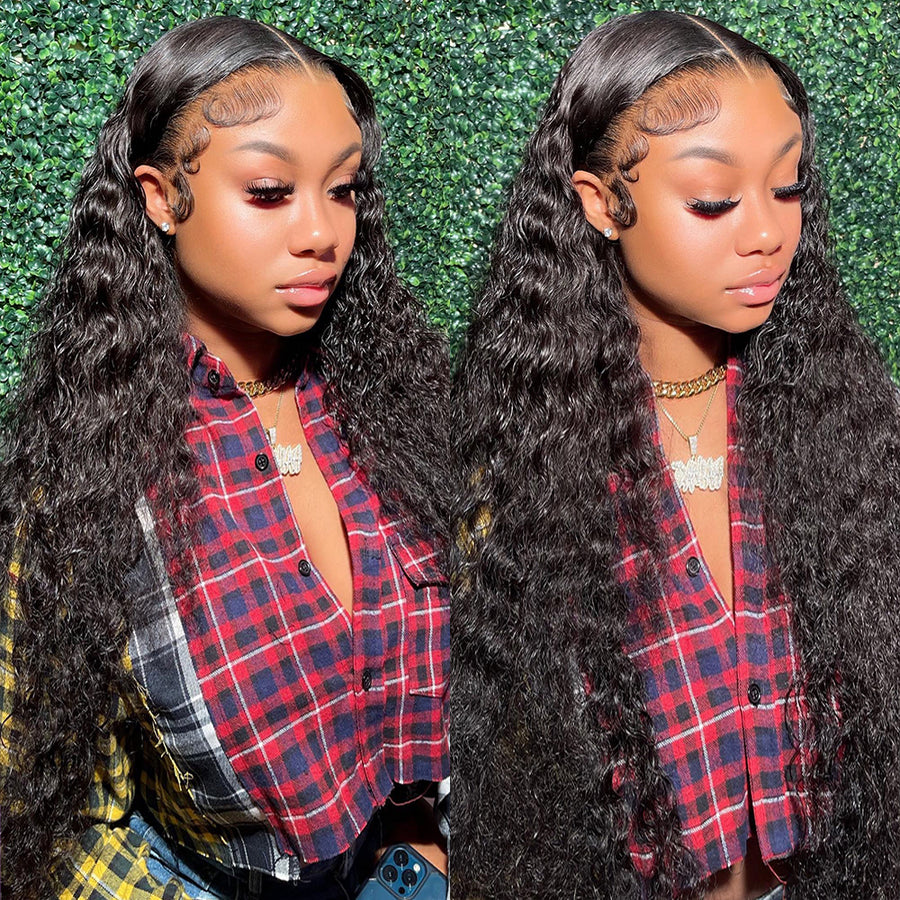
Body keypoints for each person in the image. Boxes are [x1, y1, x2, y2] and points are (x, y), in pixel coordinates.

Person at [451, 10, 900, 899]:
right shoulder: (520, 468)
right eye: (712, 200)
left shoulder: (845, 424)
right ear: (601, 202)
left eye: (788, 188)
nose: (767, 232)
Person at [0, 16, 449, 900]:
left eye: (344, 189)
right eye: (270, 191)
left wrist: (421, 840)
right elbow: (57, 819)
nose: (322, 232)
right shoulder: (90, 484)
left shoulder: (393, 410)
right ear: (162, 197)